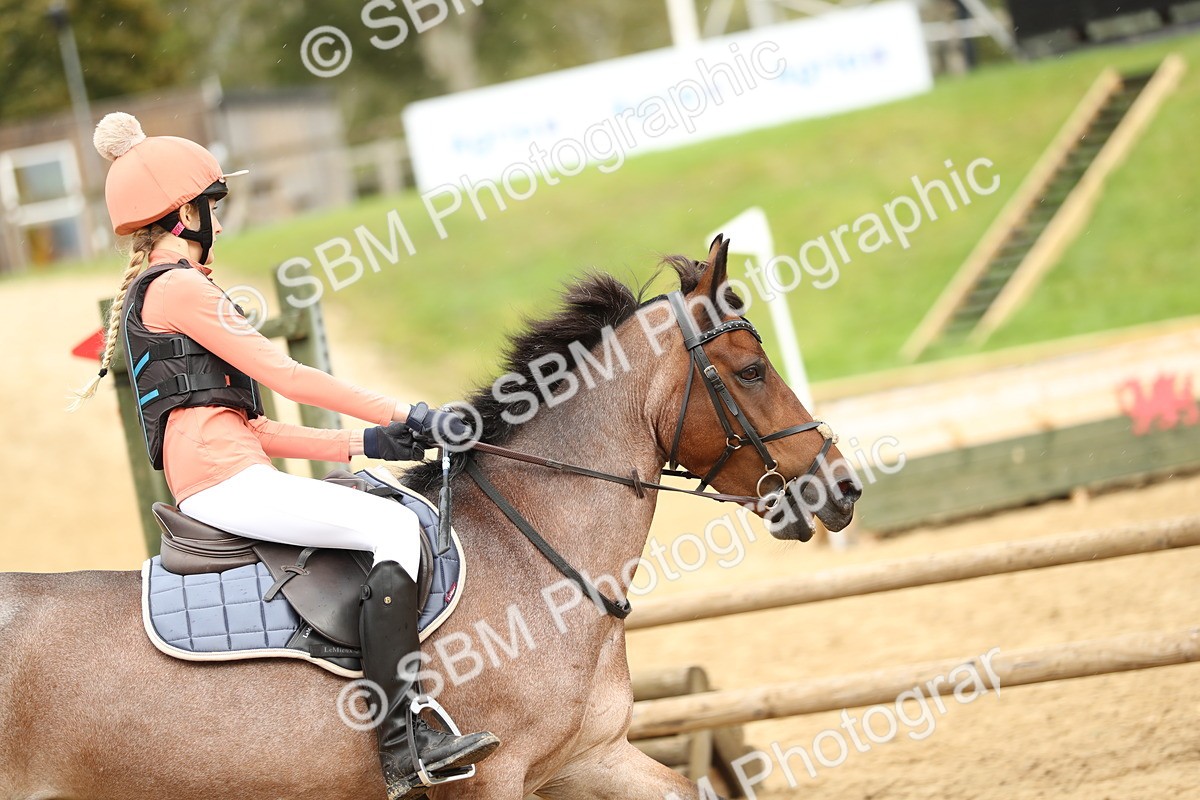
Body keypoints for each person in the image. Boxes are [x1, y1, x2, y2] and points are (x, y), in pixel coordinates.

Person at [69, 112, 498, 799]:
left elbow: (255, 429)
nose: (218, 219)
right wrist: (408, 411)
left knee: (375, 505)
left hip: (224, 472)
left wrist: (366, 443)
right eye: (212, 207)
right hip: (225, 484)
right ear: (185, 214)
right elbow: (287, 376)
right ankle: (403, 739)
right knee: (394, 527)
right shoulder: (180, 288)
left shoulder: (165, 289)